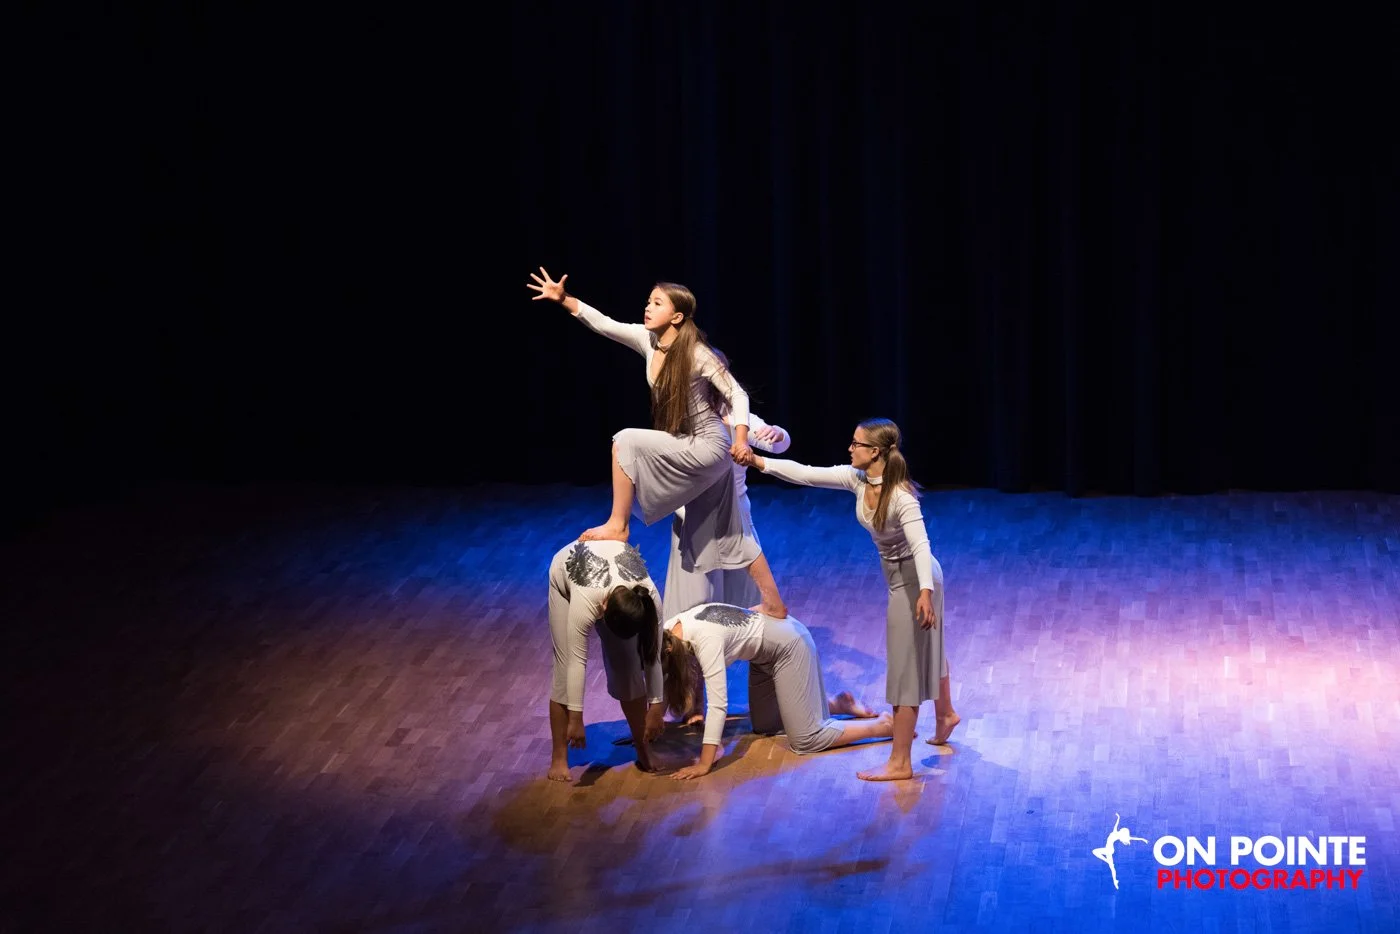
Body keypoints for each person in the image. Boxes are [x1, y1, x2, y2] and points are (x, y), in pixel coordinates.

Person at [527, 267, 786, 619]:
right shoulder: (648, 341)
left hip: (708, 446)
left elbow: (737, 394)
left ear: (677, 316)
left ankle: (618, 524)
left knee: (625, 441)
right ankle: (761, 605)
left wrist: (741, 438)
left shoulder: (697, 353)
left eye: (657, 303)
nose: (647, 307)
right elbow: (604, 324)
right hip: (687, 445)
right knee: (724, 530)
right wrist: (565, 300)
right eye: (649, 301)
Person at [739, 418, 961, 782]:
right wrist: (760, 463)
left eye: (856, 444)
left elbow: (921, 545)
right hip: (900, 580)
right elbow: (807, 474)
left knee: (905, 668)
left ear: (874, 452)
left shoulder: (900, 496)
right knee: (926, 647)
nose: (850, 448)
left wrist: (924, 592)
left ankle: (900, 763)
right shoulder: (858, 480)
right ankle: (946, 713)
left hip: (916, 581)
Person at [659, 602, 893, 779]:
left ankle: (881, 725)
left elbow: (719, 705)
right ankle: (837, 704)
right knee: (766, 726)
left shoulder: (703, 641)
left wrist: (704, 763)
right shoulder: (670, 631)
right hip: (764, 658)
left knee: (806, 740)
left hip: (790, 646)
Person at [546, 538, 667, 782]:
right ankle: (559, 756)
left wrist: (656, 706)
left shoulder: (650, 598)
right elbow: (576, 662)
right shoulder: (587, 600)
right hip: (566, 574)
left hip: (613, 577)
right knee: (564, 663)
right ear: (602, 608)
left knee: (630, 667)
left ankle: (643, 747)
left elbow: (653, 653)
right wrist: (576, 718)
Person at [662, 411, 792, 618]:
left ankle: (740, 639)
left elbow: (778, 444)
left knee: (741, 592)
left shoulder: (738, 417)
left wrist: (778, 433)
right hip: (695, 518)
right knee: (697, 598)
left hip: (735, 516)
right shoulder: (684, 418)